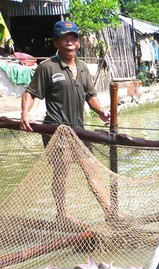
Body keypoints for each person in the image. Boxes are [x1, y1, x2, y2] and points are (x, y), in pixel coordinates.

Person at [19, 21, 111, 226]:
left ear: (78, 42)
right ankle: (61, 213)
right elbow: (30, 93)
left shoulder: (83, 67)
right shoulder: (47, 67)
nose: (69, 42)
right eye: (64, 38)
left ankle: (108, 211)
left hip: (80, 131)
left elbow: (91, 96)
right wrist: (25, 113)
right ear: (56, 42)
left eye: (73, 38)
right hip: (56, 131)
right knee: (61, 174)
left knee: (91, 170)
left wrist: (101, 111)